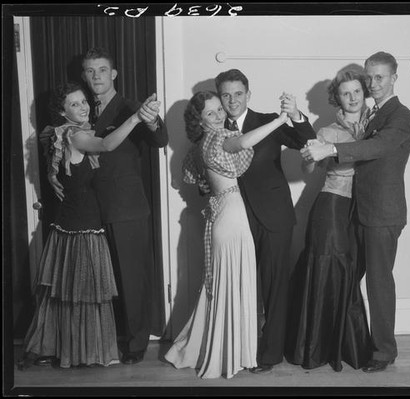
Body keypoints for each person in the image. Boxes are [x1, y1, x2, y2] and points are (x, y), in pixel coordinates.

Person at [19, 82, 156, 369]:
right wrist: (134, 118)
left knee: (72, 294)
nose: (82, 107)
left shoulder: (63, 134)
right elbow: (105, 145)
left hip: (73, 223)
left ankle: (66, 349)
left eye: (83, 102)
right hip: (81, 228)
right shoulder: (73, 135)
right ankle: (78, 353)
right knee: (82, 294)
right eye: (74, 104)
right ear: (61, 111)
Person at [48, 47, 169, 365]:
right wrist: (52, 174)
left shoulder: (131, 107)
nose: (96, 76)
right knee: (102, 281)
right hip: (89, 212)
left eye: (102, 69)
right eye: (90, 71)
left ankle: (135, 345)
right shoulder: (81, 110)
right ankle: (102, 342)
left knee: (130, 280)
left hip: (126, 208)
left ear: (114, 74)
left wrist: (152, 119)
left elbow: (160, 140)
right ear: (84, 76)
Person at [301, 51, 410, 373]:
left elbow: (378, 147)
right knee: (346, 280)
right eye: (370, 77)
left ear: (394, 78)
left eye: (380, 77)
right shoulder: (371, 116)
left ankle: (384, 352)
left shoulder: (400, 116)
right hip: (357, 212)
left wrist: (332, 149)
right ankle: (342, 344)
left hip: (382, 213)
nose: (373, 84)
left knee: (379, 283)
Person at [165, 91, 290, 379]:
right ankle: (230, 353)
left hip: (223, 212)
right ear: (200, 120)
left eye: (219, 109)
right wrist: (281, 119)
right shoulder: (217, 138)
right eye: (210, 113)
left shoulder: (199, 145)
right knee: (231, 283)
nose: (220, 115)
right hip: (232, 214)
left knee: (224, 284)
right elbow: (244, 141)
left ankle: (224, 348)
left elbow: (196, 181)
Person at [214, 69, 316, 374]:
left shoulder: (268, 121)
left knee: (273, 286)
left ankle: (270, 354)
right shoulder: (214, 127)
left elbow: (306, 141)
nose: (232, 100)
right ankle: (241, 347)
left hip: (273, 217)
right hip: (235, 220)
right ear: (219, 96)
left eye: (238, 93)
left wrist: (295, 113)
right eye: (226, 94)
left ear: (249, 94)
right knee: (242, 286)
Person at [285, 64, 372, 372]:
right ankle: (317, 348)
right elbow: (308, 170)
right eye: (345, 93)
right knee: (329, 270)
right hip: (333, 206)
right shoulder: (326, 131)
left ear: (365, 93)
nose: (352, 98)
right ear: (337, 97)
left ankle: (346, 344)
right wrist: (308, 156)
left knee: (352, 272)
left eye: (356, 92)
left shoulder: (376, 126)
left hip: (363, 209)